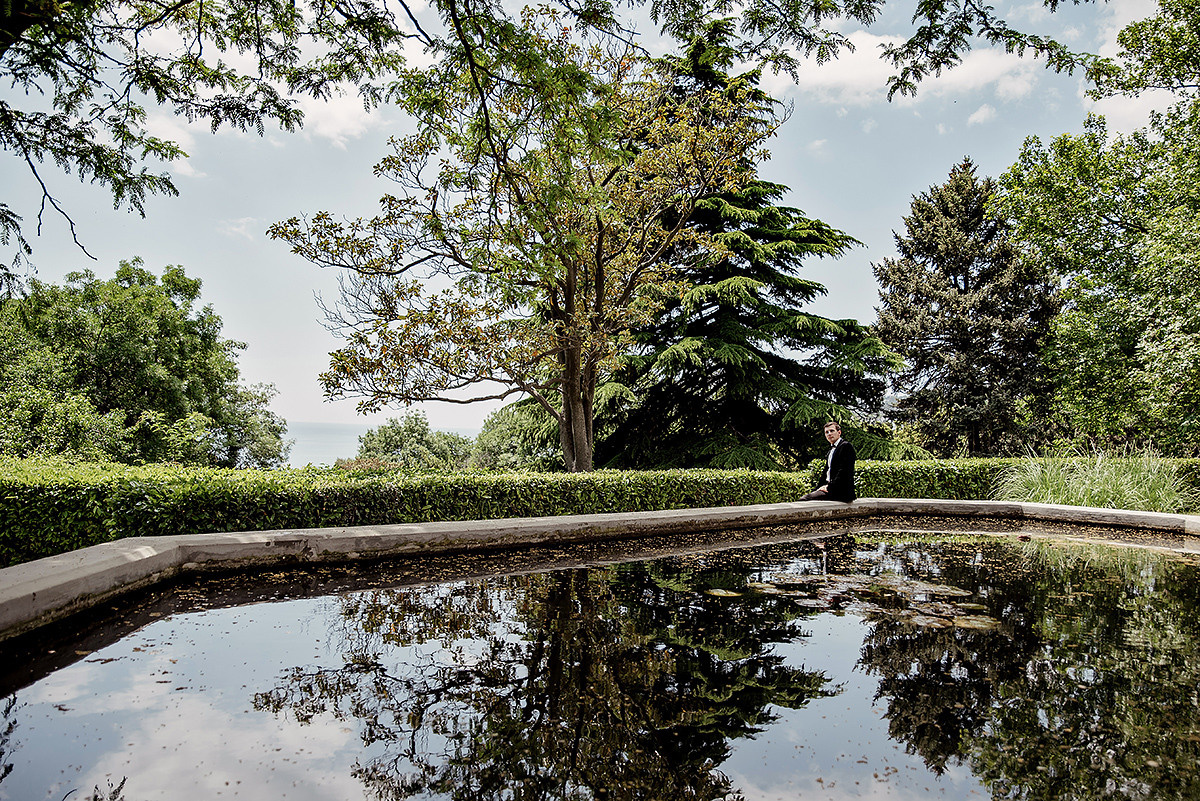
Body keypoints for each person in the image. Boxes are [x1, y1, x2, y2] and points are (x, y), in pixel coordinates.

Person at [801, 421, 857, 502]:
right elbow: (826, 472)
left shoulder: (846, 446)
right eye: (826, 432)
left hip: (840, 492)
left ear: (839, 432)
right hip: (830, 489)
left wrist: (828, 487)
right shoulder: (831, 450)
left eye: (832, 431)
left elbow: (844, 471)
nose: (829, 434)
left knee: (804, 500)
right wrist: (816, 489)